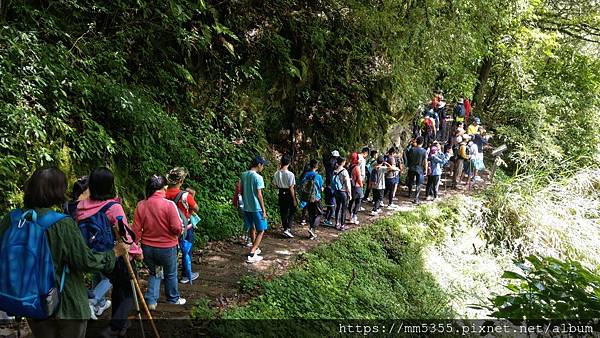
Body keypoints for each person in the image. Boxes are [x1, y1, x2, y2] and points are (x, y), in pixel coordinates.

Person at [0, 167, 125, 338]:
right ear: (57, 191)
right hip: (66, 302)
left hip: (31, 299)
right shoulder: (60, 224)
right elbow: (85, 261)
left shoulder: (12, 219)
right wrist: (114, 253)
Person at [75, 167, 141, 337]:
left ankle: (117, 320)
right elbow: (125, 236)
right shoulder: (113, 207)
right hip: (116, 255)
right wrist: (137, 251)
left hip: (94, 256)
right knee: (128, 288)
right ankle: (115, 327)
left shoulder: (80, 206)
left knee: (118, 285)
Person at [133, 175, 186, 310]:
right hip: (167, 248)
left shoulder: (141, 204)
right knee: (170, 273)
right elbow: (176, 228)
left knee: (154, 272)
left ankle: (151, 300)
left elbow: (136, 231)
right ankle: (173, 298)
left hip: (148, 247)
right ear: (163, 188)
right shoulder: (169, 205)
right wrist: (181, 229)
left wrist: (134, 248)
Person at [165, 167, 200, 284]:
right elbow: (196, 208)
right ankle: (185, 275)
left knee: (171, 251)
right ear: (181, 180)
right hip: (185, 227)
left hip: (167, 227)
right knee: (186, 250)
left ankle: (169, 275)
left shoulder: (162, 192)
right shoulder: (185, 195)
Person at [240, 156, 269, 263]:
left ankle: (255, 249)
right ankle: (252, 252)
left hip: (247, 207)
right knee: (261, 230)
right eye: (263, 165)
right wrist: (264, 210)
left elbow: (241, 191)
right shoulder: (258, 177)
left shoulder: (243, 175)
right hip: (257, 208)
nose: (263, 167)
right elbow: (259, 195)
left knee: (252, 228)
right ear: (259, 165)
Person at [273, 155, 297, 238]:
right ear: (289, 163)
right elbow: (291, 188)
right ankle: (288, 228)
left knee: (283, 212)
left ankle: (285, 228)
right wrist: (294, 199)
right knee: (293, 210)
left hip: (280, 192)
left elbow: (275, 184)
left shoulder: (276, 173)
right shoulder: (290, 174)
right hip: (288, 194)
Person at [299, 159, 323, 239]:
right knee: (319, 213)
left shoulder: (306, 174)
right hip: (316, 198)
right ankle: (312, 229)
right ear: (317, 166)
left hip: (307, 198)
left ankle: (311, 234)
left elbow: (301, 184)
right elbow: (320, 187)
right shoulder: (318, 176)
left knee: (311, 214)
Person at [406, 136, 428, 204]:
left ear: (417, 142)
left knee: (410, 181)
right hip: (419, 169)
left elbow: (408, 157)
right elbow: (425, 161)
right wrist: (426, 170)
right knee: (418, 184)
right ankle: (416, 198)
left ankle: (409, 193)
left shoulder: (412, 149)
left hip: (412, 168)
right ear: (422, 142)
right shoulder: (424, 151)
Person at [332, 156, 351, 230]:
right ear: (343, 162)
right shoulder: (344, 171)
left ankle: (337, 223)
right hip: (343, 192)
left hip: (337, 191)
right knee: (344, 208)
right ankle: (342, 225)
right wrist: (350, 194)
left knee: (338, 207)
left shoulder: (335, 171)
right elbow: (348, 184)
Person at [322, 150, 340, 226]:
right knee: (331, 203)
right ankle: (328, 218)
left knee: (330, 203)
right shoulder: (331, 166)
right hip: (330, 185)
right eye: (335, 158)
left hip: (329, 185)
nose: (335, 160)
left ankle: (328, 217)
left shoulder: (329, 163)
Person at [346, 153, 364, 225]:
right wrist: (361, 185)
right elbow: (359, 178)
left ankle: (350, 216)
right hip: (357, 187)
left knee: (351, 201)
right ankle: (354, 217)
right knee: (358, 202)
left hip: (351, 186)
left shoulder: (349, 166)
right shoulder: (356, 167)